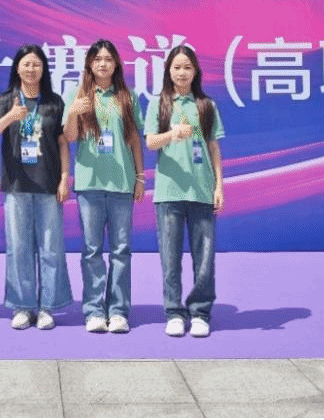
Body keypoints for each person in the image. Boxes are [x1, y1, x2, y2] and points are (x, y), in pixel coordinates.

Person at [0, 44, 72, 330]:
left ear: (43, 68)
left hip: (48, 184)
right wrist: (11, 116)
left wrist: (64, 178)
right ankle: (22, 306)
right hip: (17, 185)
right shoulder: (7, 99)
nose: (31, 69)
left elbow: (63, 142)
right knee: (18, 247)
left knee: (50, 247)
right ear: (17, 68)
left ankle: (48, 306)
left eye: (36, 64)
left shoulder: (54, 102)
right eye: (26, 64)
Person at [62, 39, 144, 335]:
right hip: (90, 184)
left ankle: (118, 311)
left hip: (121, 183)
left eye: (108, 59)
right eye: (97, 59)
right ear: (89, 64)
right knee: (92, 250)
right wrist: (74, 111)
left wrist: (140, 177)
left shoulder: (127, 96)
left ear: (116, 64)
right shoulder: (78, 94)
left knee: (121, 250)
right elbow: (69, 138)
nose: (103, 64)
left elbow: (134, 139)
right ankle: (94, 310)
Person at [144, 44, 224, 339]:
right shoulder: (159, 104)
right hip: (169, 192)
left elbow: (213, 148)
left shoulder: (206, 105)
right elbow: (150, 142)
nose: (182, 73)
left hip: (201, 191)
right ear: (168, 71)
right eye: (176, 67)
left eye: (187, 67)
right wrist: (172, 134)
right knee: (170, 258)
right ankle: (174, 312)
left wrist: (219, 186)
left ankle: (200, 312)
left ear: (195, 71)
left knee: (204, 259)